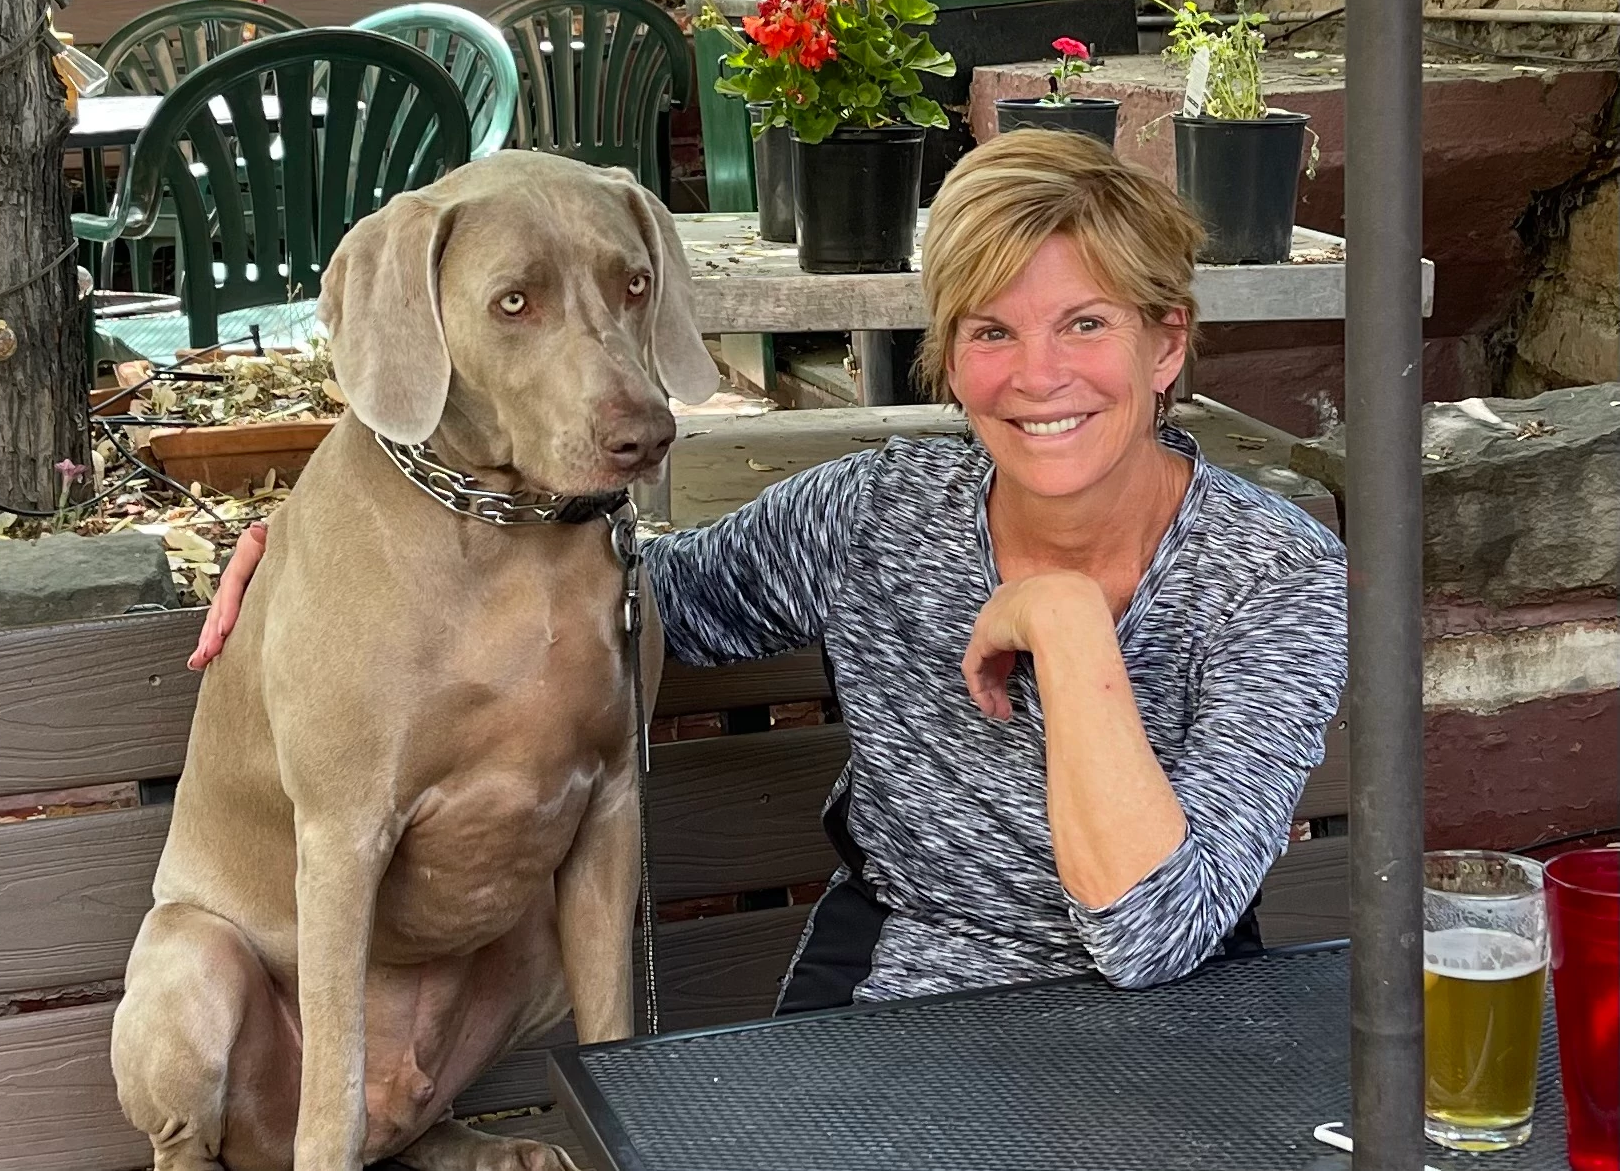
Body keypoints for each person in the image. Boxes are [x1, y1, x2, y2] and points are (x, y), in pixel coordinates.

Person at [189, 129, 1348, 1011]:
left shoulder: (1271, 576)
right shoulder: (880, 512)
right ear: (948, 360)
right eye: (992, 332)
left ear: (1168, 342)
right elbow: (644, 592)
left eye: (1087, 325)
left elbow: (1151, 936)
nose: (1041, 375)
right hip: (894, 1013)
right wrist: (313, 563)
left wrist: (1068, 625)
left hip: (1176, 1037)